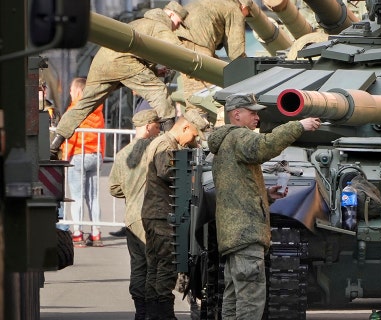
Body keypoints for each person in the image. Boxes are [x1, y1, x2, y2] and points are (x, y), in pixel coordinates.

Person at [206, 93, 321, 319]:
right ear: (236, 114)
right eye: (252, 112)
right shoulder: (239, 137)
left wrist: (266, 195)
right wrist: (299, 125)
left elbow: (237, 189)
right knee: (250, 301)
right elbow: (265, 146)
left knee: (233, 299)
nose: (257, 117)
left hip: (234, 234)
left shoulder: (226, 142)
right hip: (246, 234)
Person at [50, 1, 189, 157]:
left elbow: (138, 52)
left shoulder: (139, 23)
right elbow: (178, 50)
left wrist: (156, 71)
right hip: (123, 62)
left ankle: (55, 145)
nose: (177, 28)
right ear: (170, 14)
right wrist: (194, 59)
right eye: (178, 23)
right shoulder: (159, 26)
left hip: (102, 63)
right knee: (160, 93)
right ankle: (170, 144)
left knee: (83, 105)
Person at [141, 109, 209, 319]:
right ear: (185, 127)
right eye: (194, 135)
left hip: (156, 213)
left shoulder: (166, 143)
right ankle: (164, 314)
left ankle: (153, 312)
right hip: (161, 214)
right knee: (167, 267)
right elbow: (166, 171)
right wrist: (192, 174)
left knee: (155, 267)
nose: (194, 140)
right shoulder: (165, 145)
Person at [109, 109, 162, 320]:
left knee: (138, 266)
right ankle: (153, 311)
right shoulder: (157, 151)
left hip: (132, 216)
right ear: (149, 126)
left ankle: (140, 311)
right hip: (154, 215)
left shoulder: (123, 154)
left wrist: (130, 192)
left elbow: (114, 188)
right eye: (157, 126)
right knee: (155, 265)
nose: (160, 130)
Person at [175, 0, 248, 121]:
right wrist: (247, 73)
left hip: (178, 43)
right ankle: (208, 128)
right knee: (210, 95)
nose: (246, 16)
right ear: (244, 6)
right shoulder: (234, 9)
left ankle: (196, 125)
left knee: (193, 93)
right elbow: (236, 53)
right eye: (247, 13)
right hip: (197, 48)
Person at [61, 77, 106, 247]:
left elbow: (70, 137)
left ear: (79, 92)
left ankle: (78, 233)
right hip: (95, 155)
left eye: (71, 91)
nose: (70, 94)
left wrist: (65, 157)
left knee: (77, 198)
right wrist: (101, 154)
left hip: (78, 156)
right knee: (93, 197)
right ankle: (96, 234)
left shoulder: (75, 110)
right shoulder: (98, 110)